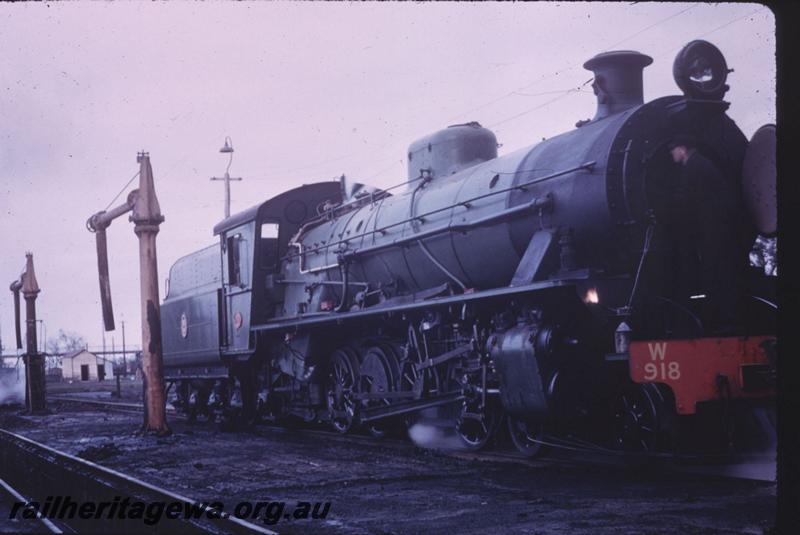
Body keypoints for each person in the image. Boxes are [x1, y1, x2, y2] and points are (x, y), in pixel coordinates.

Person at [667, 134, 744, 335]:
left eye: (672, 150)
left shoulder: (694, 167)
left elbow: (684, 198)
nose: (671, 155)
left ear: (682, 149)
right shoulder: (702, 164)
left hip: (713, 230)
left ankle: (722, 321)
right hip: (715, 228)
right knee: (718, 272)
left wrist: (664, 210)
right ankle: (723, 320)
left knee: (715, 272)